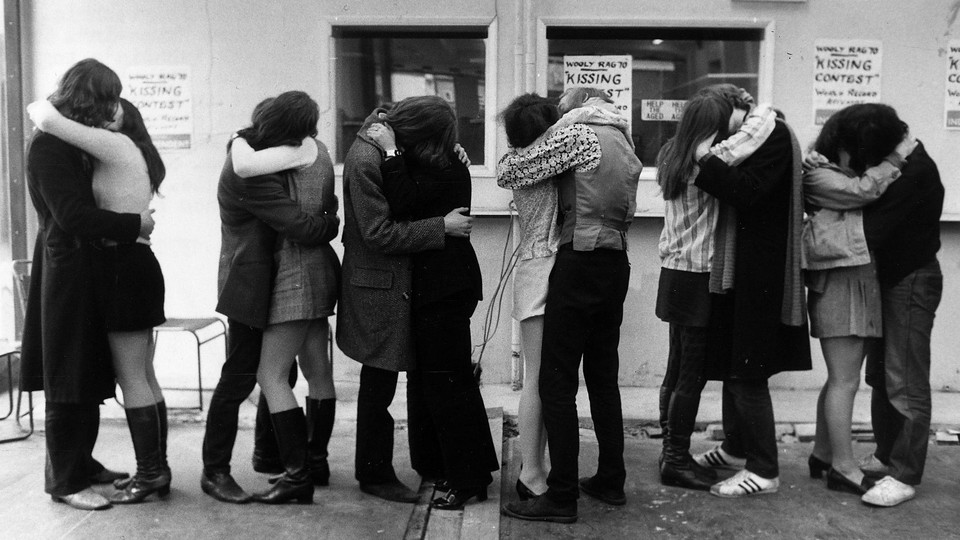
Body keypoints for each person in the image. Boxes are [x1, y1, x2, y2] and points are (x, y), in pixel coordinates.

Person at [498, 87, 641, 523]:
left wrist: (509, 153)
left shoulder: (575, 135)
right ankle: (609, 480)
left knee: (555, 383)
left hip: (572, 262)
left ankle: (555, 492)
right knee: (602, 378)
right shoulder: (622, 136)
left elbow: (511, 171)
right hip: (616, 258)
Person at [20, 58, 154, 511]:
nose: (113, 108)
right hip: (67, 271)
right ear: (88, 98)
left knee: (88, 372)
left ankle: (84, 463)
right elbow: (72, 216)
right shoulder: (48, 148)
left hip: (87, 268)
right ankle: (64, 481)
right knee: (67, 377)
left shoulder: (69, 140)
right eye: (108, 99)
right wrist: (135, 223)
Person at [200, 96, 340, 504]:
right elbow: (307, 221)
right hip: (268, 281)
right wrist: (330, 224)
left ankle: (299, 472)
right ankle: (302, 463)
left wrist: (323, 224)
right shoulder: (302, 157)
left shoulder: (270, 161)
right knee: (292, 372)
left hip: (286, 276)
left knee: (272, 375)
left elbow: (296, 223)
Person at [366, 95, 499, 510]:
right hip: (443, 286)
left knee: (447, 384)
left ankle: (468, 479)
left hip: (445, 289)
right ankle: (452, 466)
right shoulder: (444, 160)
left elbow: (403, 202)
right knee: (437, 381)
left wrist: (388, 151)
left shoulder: (444, 168)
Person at [337, 102, 473, 503]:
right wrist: (440, 227)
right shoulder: (366, 157)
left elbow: (414, 185)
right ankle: (374, 473)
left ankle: (422, 463)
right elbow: (379, 233)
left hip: (399, 284)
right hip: (378, 285)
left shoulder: (391, 144)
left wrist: (452, 153)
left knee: (407, 377)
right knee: (378, 383)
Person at [688, 83, 811, 498]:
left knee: (747, 370)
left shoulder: (770, 134)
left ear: (732, 115)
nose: (717, 142)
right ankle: (737, 447)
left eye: (715, 131)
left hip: (760, 271)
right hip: (742, 266)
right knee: (730, 363)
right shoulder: (749, 138)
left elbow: (748, 192)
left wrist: (706, 158)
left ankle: (764, 468)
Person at [654, 87, 779, 491]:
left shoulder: (670, 153)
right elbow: (755, 135)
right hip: (699, 274)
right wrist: (758, 109)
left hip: (674, 271)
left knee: (675, 371)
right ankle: (675, 459)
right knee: (691, 377)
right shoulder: (705, 159)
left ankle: (670, 451)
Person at [800, 104, 916, 497]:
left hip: (852, 282)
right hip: (839, 284)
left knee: (840, 379)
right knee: (845, 381)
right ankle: (843, 468)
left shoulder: (832, 171)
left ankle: (822, 453)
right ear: (841, 144)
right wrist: (897, 157)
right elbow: (863, 191)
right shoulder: (819, 175)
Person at [857, 107, 944, 507]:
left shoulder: (914, 173)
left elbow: (871, 229)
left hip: (910, 282)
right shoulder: (900, 164)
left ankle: (905, 473)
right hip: (892, 280)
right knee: (881, 374)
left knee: (904, 379)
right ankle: (887, 455)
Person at [495, 93, 562, 500]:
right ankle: (532, 471)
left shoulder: (517, 161)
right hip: (545, 268)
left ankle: (537, 466)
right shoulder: (544, 161)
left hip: (533, 267)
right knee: (540, 377)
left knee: (544, 376)